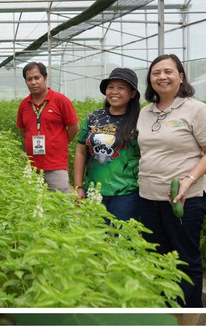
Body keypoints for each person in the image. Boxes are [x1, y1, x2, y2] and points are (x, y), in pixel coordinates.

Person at [136, 54, 206, 308]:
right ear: (150, 80)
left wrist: (191, 178)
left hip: (183, 198)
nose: (162, 77)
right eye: (156, 73)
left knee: (185, 259)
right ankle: (166, 310)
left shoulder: (196, 109)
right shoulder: (145, 112)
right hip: (148, 197)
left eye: (168, 71)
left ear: (180, 77)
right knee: (158, 257)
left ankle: (190, 313)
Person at [74, 66, 143, 224]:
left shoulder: (140, 120)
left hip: (127, 192)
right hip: (94, 190)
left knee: (123, 239)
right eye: (110, 87)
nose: (114, 91)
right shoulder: (94, 117)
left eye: (121, 88)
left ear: (132, 94)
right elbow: (81, 152)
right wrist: (78, 186)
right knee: (94, 240)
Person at [14, 61, 78, 192]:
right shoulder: (24, 104)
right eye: (29, 79)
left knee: (62, 205)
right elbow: (22, 129)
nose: (33, 82)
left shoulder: (60, 100)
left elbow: (74, 127)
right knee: (35, 203)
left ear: (45, 77)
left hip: (55, 165)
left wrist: (58, 142)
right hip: (32, 165)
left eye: (37, 78)